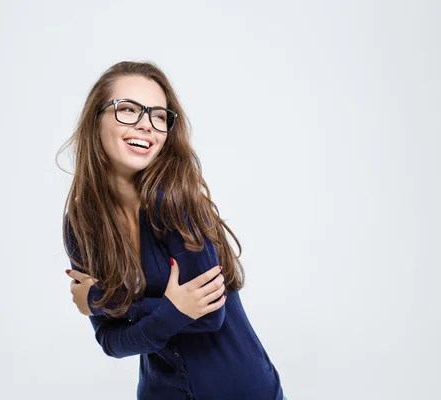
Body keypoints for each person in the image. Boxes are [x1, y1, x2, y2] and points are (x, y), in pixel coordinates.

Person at [59, 61, 287, 400]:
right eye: (129, 110)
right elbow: (111, 342)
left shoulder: (174, 202)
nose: (146, 125)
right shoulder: (81, 225)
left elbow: (208, 315)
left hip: (241, 390)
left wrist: (105, 300)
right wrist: (172, 307)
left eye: (159, 116)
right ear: (96, 119)